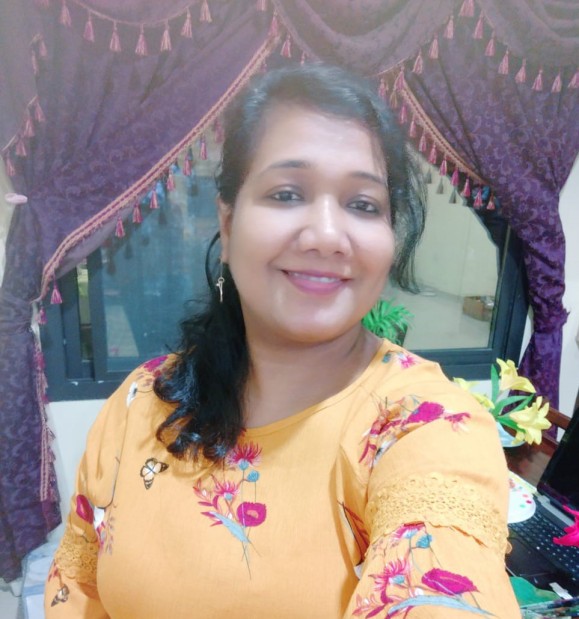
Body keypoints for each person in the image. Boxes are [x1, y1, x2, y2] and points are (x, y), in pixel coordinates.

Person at [45, 63, 520, 618]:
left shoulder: (426, 425)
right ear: (227, 226)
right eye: (288, 193)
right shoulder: (143, 399)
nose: (326, 236)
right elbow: (77, 584)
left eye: (363, 204)